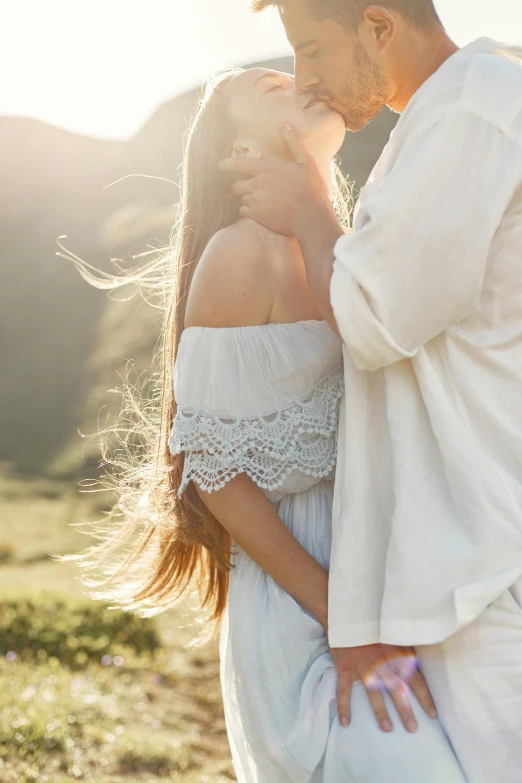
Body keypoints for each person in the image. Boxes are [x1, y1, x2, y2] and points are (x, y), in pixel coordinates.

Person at [68, 67, 467, 781]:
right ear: (237, 152)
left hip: (387, 582)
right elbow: (213, 472)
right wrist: (343, 618)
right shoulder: (240, 253)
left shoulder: (343, 247)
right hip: (304, 601)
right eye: (271, 87)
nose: (305, 80)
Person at [220, 1, 522, 781]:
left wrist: (310, 209)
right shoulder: (432, 123)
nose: (305, 77)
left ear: (379, 26)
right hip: (453, 566)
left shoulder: (474, 110)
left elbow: (375, 316)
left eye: (313, 49)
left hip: (483, 565)